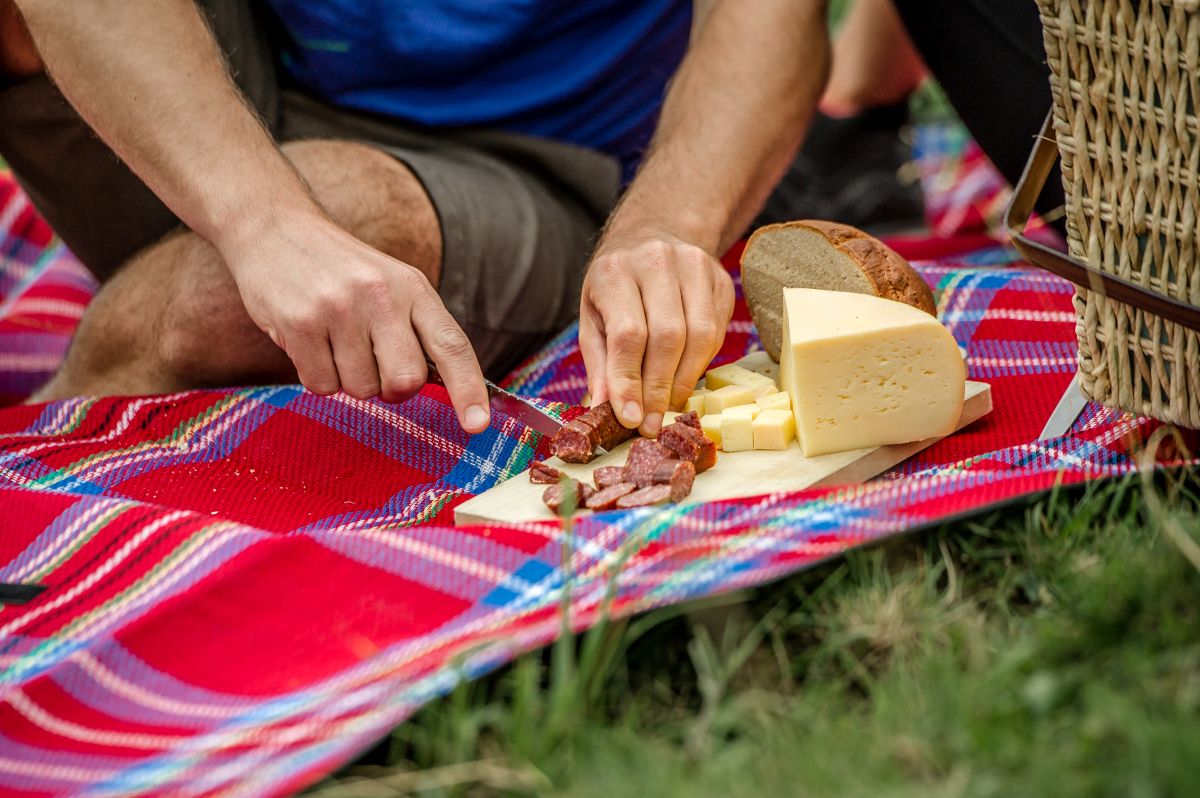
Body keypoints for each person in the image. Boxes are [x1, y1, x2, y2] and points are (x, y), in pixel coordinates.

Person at [2, 0, 1058, 439]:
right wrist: (258, 218)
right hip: (242, 95)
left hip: (533, 167)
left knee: (253, 272)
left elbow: (767, 29)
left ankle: (50, 446)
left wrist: (666, 232)